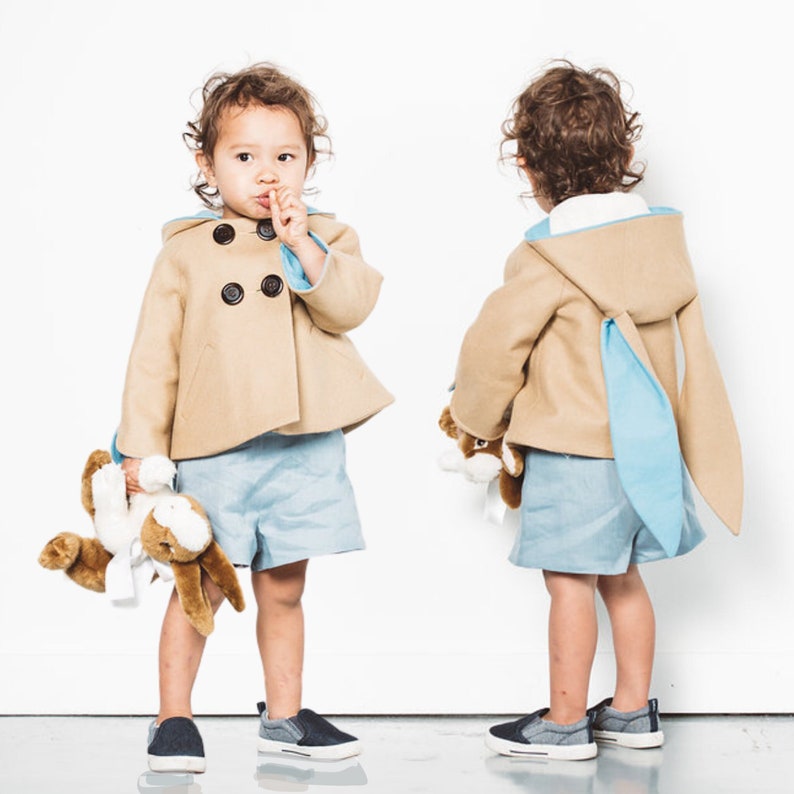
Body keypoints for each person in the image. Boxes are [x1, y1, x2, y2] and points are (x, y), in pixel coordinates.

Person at [448, 61, 742, 761]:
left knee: (570, 585)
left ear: (525, 166)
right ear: (627, 155)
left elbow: (494, 349)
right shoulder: (661, 248)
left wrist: (476, 419)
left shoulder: (548, 257)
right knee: (624, 578)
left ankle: (564, 720)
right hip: (649, 452)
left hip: (574, 451)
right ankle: (634, 711)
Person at [115, 62, 393, 773]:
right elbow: (154, 359)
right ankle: (172, 718)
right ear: (208, 164)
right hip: (216, 448)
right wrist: (141, 458)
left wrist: (304, 244)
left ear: (308, 163)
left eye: (285, 156)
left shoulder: (326, 236)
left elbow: (351, 307)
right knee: (198, 583)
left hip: (301, 446)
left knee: (286, 587)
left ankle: (286, 714)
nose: (267, 173)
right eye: (245, 157)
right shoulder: (183, 253)